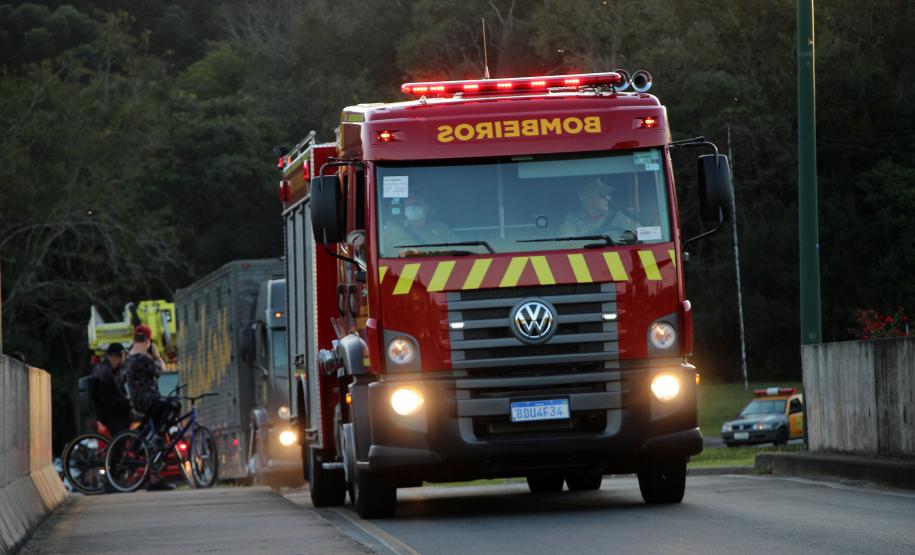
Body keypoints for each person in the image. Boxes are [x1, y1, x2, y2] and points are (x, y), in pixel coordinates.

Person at [123, 324, 178, 490]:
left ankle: (155, 477)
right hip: (149, 399)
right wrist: (157, 354)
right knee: (174, 405)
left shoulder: (128, 357)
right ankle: (159, 438)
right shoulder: (144, 357)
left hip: (139, 401)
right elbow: (161, 369)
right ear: (148, 340)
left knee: (155, 424)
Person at [558, 177, 639, 237]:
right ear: (589, 199)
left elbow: (640, 236)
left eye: (608, 195)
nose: (608, 198)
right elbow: (566, 243)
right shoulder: (572, 219)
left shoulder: (618, 216)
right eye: (603, 195)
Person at [383, 192, 458, 255]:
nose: (411, 207)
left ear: (427, 207)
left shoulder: (441, 228)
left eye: (416, 204)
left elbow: (457, 250)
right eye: (408, 204)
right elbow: (383, 254)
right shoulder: (393, 230)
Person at [90, 342, 132, 435]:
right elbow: (107, 398)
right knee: (120, 439)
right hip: (110, 414)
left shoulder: (109, 369)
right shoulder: (105, 372)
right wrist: (128, 403)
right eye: (123, 356)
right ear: (117, 356)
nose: (124, 359)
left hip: (110, 412)